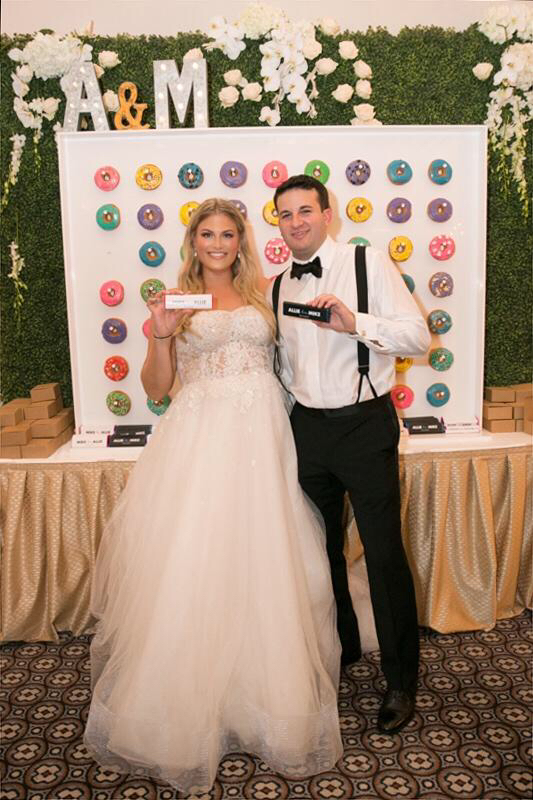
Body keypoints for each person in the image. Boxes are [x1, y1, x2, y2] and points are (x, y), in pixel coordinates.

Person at [83, 198, 343, 793]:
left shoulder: (266, 295)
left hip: (262, 438)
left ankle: (262, 704)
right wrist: (160, 335)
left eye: (228, 233)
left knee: (264, 558)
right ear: (193, 241)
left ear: (240, 241)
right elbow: (157, 388)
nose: (218, 243)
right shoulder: (173, 301)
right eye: (208, 234)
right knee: (198, 562)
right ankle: (184, 706)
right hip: (200, 441)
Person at [271, 174, 431, 734]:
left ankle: (401, 682)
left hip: (364, 425)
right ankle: (341, 647)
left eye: (305, 211)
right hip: (306, 431)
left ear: (327, 212)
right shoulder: (276, 286)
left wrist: (357, 324)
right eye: (285, 214)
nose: (296, 222)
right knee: (323, 551)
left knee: (384, 555)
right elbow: (285, 368)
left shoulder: (368, 263)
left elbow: (418, 338)